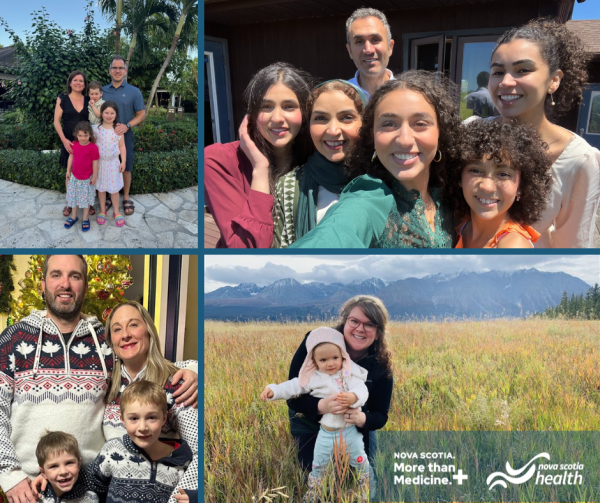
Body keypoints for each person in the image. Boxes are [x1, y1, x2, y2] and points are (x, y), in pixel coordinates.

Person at [0, 255, 198, 503]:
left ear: (85, 284)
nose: (65, 284)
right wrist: (9, 474)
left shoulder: (103, 345)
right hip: (31, 489)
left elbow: (146, 366)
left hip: (92, 489)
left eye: (75, 276)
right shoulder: (14, 338)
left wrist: (195, 368)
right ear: (42, 284)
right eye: (56, 275)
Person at [291, 70, 460, 248]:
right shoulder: (369, 201)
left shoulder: (450, 195)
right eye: (388, 124)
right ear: (371, 135)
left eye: (420, 124)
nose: (404, 140)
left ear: (441, 132)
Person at [488, 18, 600, 248]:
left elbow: (572, 247)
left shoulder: (578, 160)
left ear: (554, 80)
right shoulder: (473, 132)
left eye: (523, 70)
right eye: (498, 72)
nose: (506, 82)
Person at [204, 62, 314, 248]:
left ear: (304, 113)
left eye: (289, 107)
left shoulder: (314, 159)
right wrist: (260, 170)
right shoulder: (218, 160)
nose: (277, 118)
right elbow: (245, 249)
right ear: (252, 114)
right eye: (266, 107)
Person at [287, 296, 393, 486]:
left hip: (354, 427)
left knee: (367, 475)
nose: (360, 329)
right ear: (344, 322)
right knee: (314, 478)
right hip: (309, 419)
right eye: (354, 321)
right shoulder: (316, 342)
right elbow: (293, 398)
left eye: (370, 324)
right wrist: (322, 406)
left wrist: (363, 419)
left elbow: (380, 416)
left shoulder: (380, 366)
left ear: (378, 333)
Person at [102, 301, 199, 501]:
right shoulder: (108, 386)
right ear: (111, 340)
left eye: (134, 325)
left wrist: (182, 497)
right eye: (117, 329)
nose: (125, 334)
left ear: (149, 330)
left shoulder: (177, 382)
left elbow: (199, 451)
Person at [261, 327, 372, 501]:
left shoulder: (348, 374)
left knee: (359, 460)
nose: (330, 363)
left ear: (342, 355)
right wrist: (273, 390)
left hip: (350, 432)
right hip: (327, 432)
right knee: (318, 464)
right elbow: (292, 386)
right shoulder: (313, 377)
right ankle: (315, 491)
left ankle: (365, 486)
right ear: (313, 361)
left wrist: (353, 397)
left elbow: (362, 390)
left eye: (335, 357)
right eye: (323, 359)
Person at [274, 80, 367, 247]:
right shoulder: (290, 186)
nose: (333, 130)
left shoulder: (382, 182)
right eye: (321, 118)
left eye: (346, 117)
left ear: (364, 123)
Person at [447, 120, 553, 248]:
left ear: (521, 186)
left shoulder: (512, 247)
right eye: (476, 171)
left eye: (503, 174)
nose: (487, 186)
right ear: (459, 176)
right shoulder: (460, 224)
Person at [89, 381, 196, 503]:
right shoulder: (112, 449)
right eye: (134, 418)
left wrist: (194, 498)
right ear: (123, 420)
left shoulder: (184, 461)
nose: (142, 427)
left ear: (164, 419)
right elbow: (91, 486)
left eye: (151, 418)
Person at [102, 55, 146, 217]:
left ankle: (126, 197)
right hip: (105, 138)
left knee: (126, 168)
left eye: (121, 68)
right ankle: (108, 197)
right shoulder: (102, 91)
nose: (117, 71)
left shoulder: (134, 92)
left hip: (124, 136)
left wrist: (127, 126)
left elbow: (141, 114)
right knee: (106, 166)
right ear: (110, 71)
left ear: (125, 71)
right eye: (115, 68)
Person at [53, 70, 94, 218]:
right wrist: (64, 140)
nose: (78, 83)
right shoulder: (62, 98)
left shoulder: (89, 99)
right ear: (70, 83)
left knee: (86, 173)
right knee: (70, 174)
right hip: (69, 142)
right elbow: (56, 121)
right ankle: (70, 203)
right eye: (75, 80)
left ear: (84, 85)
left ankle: (86, 203)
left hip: (85, 144)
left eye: (81, 81)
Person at [346, 8, 395, 100]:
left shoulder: (407, 96)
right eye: (359, 41)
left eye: (375, 40)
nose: (368, 50)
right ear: (350, 51)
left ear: (390, 47)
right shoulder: (340, 96)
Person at [36, 431, 98, 503]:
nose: (63, 471)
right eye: (54, 466)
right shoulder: (36, 497)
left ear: (79, 464)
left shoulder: (89, 497)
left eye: (69, 463)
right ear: (43, 473)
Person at [93, 101, 126, 227]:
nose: (109, 115)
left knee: (114, 190)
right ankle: (102, 210)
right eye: (106, 112)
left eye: (112, 113)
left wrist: (123, 161)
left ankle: (116, 212)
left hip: (113, 164)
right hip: (100, 165)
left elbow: (122, 146)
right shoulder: (96, 129)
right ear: (101, 113)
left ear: (116, 114)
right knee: (101, 189)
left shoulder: (118, 130)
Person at [65, 122, 99, 232]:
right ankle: (74, 217)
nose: (83, 138)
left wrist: (94, 176)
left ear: (90, 135)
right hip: (75, 178)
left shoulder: (93, 147)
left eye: (85, 135)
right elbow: (70, 157)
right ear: (76, 135)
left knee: (86, 200)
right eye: (80, 135)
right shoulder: (74, 145)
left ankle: (85, 218)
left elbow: (95, 162)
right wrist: (68, 171)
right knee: (74, 198)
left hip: (86, 179)